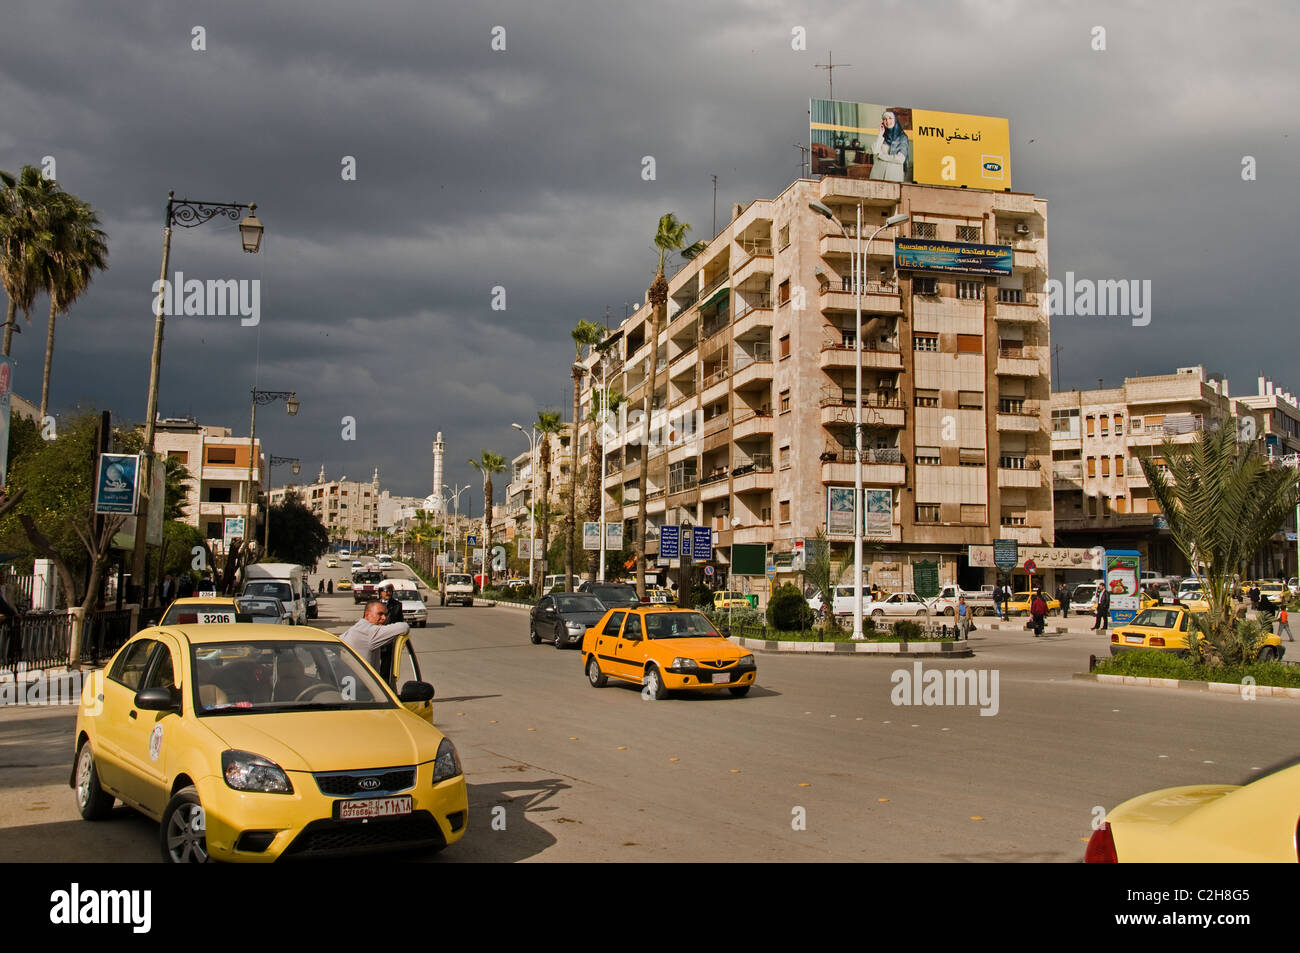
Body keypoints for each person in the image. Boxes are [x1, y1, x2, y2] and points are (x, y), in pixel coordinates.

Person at [340, 600, 410, 669]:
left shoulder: (357, 628)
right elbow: (404, 627)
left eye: (385, 614)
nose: (384, 618)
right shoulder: (369, 632)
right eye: (380, 614)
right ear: (367, 615)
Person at [869, 109, 913, 183]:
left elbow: (900, 159)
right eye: (885, 119)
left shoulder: (902, 137)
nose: (887, 121)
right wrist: (880, 134)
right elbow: (874, 151)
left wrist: (881, 156)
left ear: (895, 120)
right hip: (877, 175)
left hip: (893, 176)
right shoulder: (882, 135)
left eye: (890, 118)